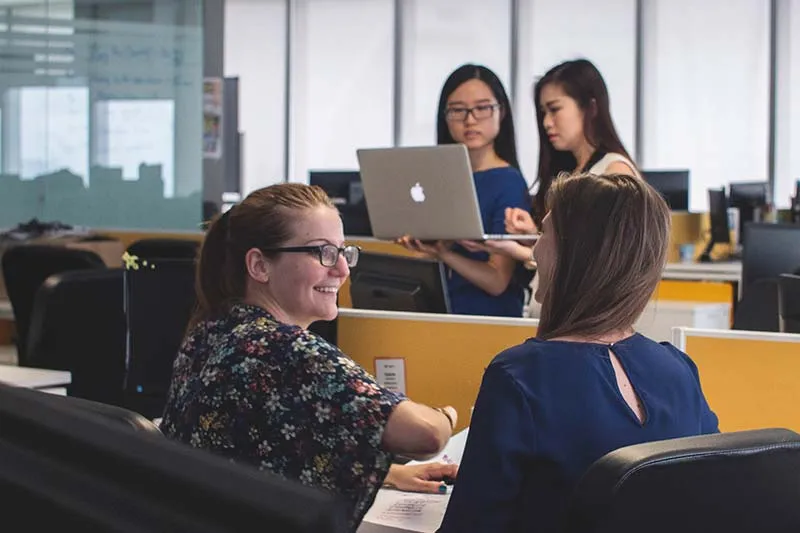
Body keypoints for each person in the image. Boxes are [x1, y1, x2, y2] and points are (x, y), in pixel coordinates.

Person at [159, 183, 458, 532]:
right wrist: (446, 415)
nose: (343, 270)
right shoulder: (283, 349)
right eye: (323, 253)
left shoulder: (213, 328)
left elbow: (258, 452)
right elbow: (426, 436)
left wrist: (386, 473)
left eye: (344, 252)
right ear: (259, 265)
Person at [438, 173, 719, 533]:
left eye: (545, 233)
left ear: (576, 254)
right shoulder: (679, 370)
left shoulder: (519, 376)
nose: (535, 250)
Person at [465, 59, 640, 270]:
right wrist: (534, 236)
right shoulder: (571, 172)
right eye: (543, 113)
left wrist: (518, 251)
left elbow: (600, 265)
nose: (547, 122)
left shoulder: (614, 171)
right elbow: (570, 248)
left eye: (555, 109)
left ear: (590, 108)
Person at [398, 64, 531, 318]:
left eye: (482, 108)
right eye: (458, 110)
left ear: (500, 112)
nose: (470, 119)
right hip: (443, 314)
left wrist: (445, 254)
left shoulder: (507, 181)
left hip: (485, 320)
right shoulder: (441, 179)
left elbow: (497, 281)